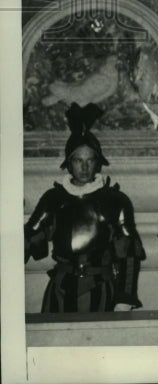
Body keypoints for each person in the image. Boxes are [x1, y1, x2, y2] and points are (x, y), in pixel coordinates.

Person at [24, 102, 145, 313]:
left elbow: (129, 254)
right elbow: (28, 241)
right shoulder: (54, 199)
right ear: (69, 163)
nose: (84, 167)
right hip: (60, 290)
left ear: (98, 162)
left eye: (90, 160)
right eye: (78, 160)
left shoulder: (116, 201)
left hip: (101, 290)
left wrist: (125, 298)